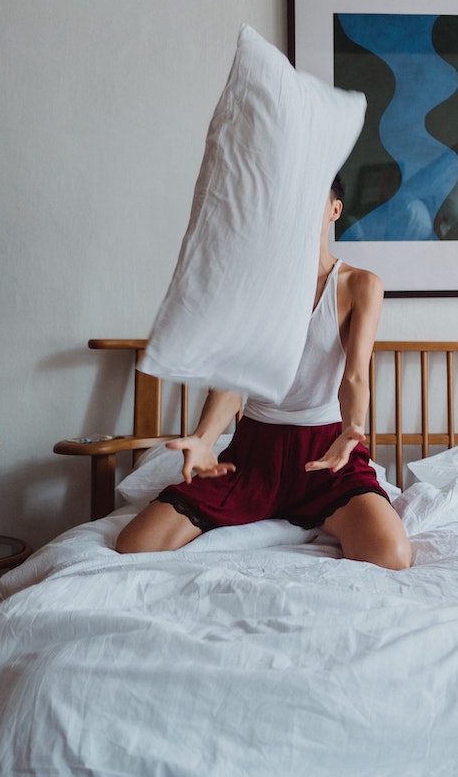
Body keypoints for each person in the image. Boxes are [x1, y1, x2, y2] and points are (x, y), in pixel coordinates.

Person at [116, 175, 412, 570]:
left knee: (392, 556)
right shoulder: (253, 284)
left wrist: (352, 429)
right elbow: (233, 382)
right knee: (135, 543)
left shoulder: (360, 285)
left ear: (334, 210)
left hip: (325, 453)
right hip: (255, 454)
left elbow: (355, 376)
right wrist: (204, 439)